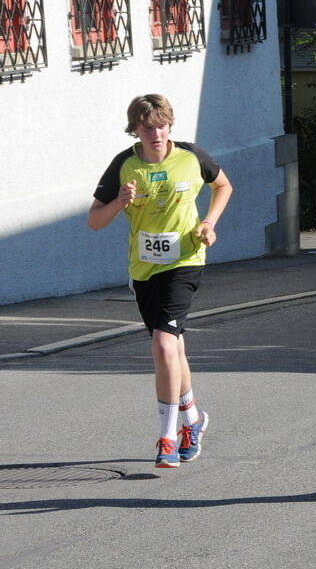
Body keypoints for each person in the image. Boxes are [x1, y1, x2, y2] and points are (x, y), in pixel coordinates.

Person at [88, 94, 233, 468]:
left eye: (162, 125)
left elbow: (223, 187)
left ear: (170, 125)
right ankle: (194, 419)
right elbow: (95, 221)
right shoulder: (124, 165)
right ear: (135, 129)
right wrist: (119, 202)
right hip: (144, 270)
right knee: (174, 350)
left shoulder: (191, 156)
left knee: (164, 347)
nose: (156, 133)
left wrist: (207, 223)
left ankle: (167, 437)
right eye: (148, 127)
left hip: (185, 260)